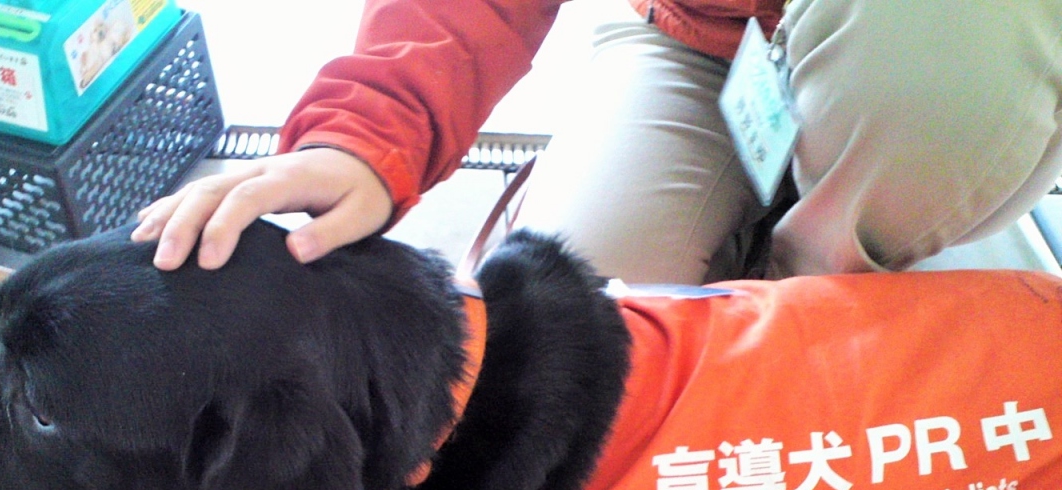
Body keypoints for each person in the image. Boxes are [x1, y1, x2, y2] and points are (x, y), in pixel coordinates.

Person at [131, 0, 1062, 284]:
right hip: (704, 44)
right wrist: (365, 133)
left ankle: (839, 268)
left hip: (954, 48)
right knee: (578, 333)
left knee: (948, 53)